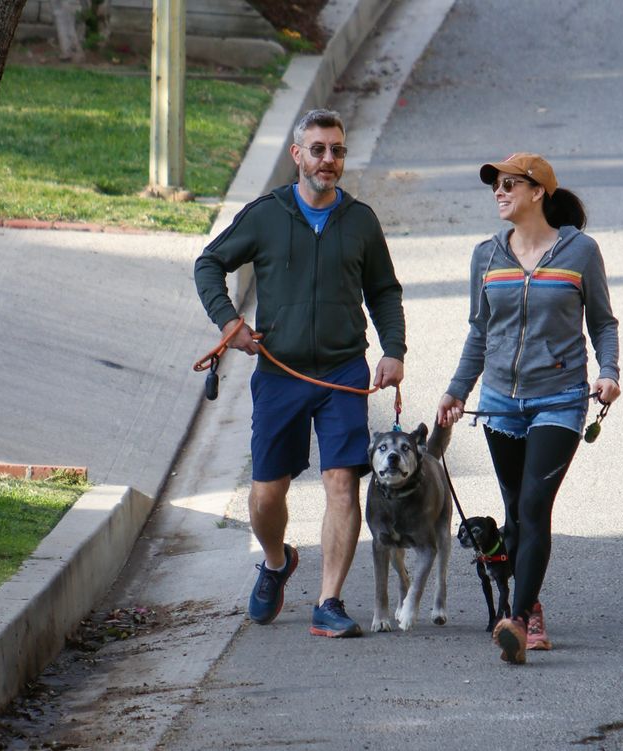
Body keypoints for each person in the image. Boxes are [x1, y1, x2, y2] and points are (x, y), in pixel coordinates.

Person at [195, 109, 406, 639]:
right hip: (280, 373)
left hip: (342, 372)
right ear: (297, 155)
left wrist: (393, 349)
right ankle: (275, 561)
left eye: (337, 150)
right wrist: (229, 323)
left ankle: (328, 601)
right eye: (318, 149)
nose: (329, 160)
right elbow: (208, 264)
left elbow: (383, 290)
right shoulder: (266, 215)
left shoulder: (360, 220)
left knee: (342, 484)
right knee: (268, 493)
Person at [436, 153, 620, 664]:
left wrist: (608, 372)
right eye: (496, 185)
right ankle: (529, 604)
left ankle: (515, 621)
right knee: (516, 511)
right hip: (499, 402)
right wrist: (457, 391)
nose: (499, 192)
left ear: (538, 192)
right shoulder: (486, 256)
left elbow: (603, 322)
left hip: (560, 399)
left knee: (536, 506)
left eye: (510, 184)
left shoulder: (579, 252)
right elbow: (480, 330)